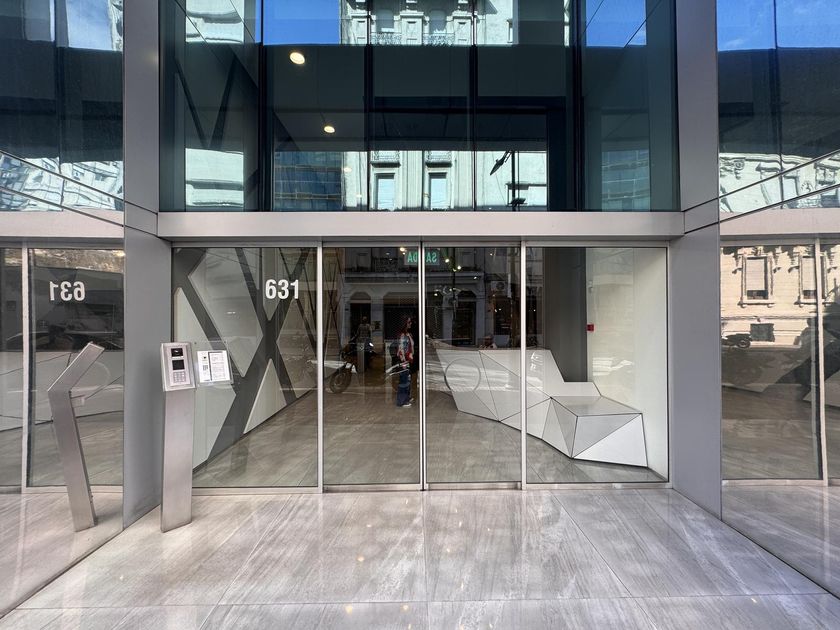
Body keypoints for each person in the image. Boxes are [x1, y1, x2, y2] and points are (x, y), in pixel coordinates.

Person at [396, 316, 414, 407]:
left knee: (407, 379)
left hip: (407, 360)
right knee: (404, 380)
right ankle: (401, 401)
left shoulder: (407, 334)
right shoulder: (403, 335)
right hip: (404, 360)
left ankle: (406, 398)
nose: (411, 323)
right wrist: (404, 361)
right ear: (405, 324)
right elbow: (401, 349)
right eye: (409, 322)